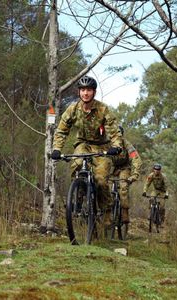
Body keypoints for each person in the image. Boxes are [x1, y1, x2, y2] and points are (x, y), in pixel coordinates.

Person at [51, 75, 122, 227]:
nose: (85, 93)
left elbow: (114, 131)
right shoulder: (73, 109)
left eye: (89, 90)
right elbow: (62, 131)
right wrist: (57, 149)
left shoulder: (103, 109)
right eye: (83, 90)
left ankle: (107, 210)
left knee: (101, 180)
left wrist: (116, 146)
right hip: (82, 144)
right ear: (79, 92)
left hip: (102, 148)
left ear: (94, 92)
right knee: (76, 165)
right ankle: (78, 196)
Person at [112, 126, 142, 224]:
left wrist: (135, 174)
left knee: (123, 187)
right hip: (111, 169)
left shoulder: (126, 144)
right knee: (102, 186)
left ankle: (124, 211)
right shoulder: (108, 143)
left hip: (124, 169)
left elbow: (135, 158)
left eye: (119, 133)